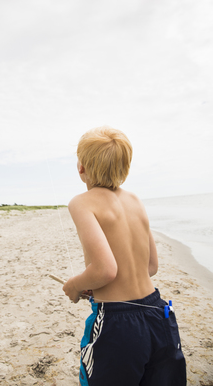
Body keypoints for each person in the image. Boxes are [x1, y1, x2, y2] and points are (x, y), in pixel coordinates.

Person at [62, 126, 186, 386]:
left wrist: (75, 285)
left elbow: (106, 269)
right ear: (125, 167)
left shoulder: (82, 202)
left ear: (81, 168)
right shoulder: (135, 200)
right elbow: (151, 266)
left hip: (118, 323)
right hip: (158, 312)